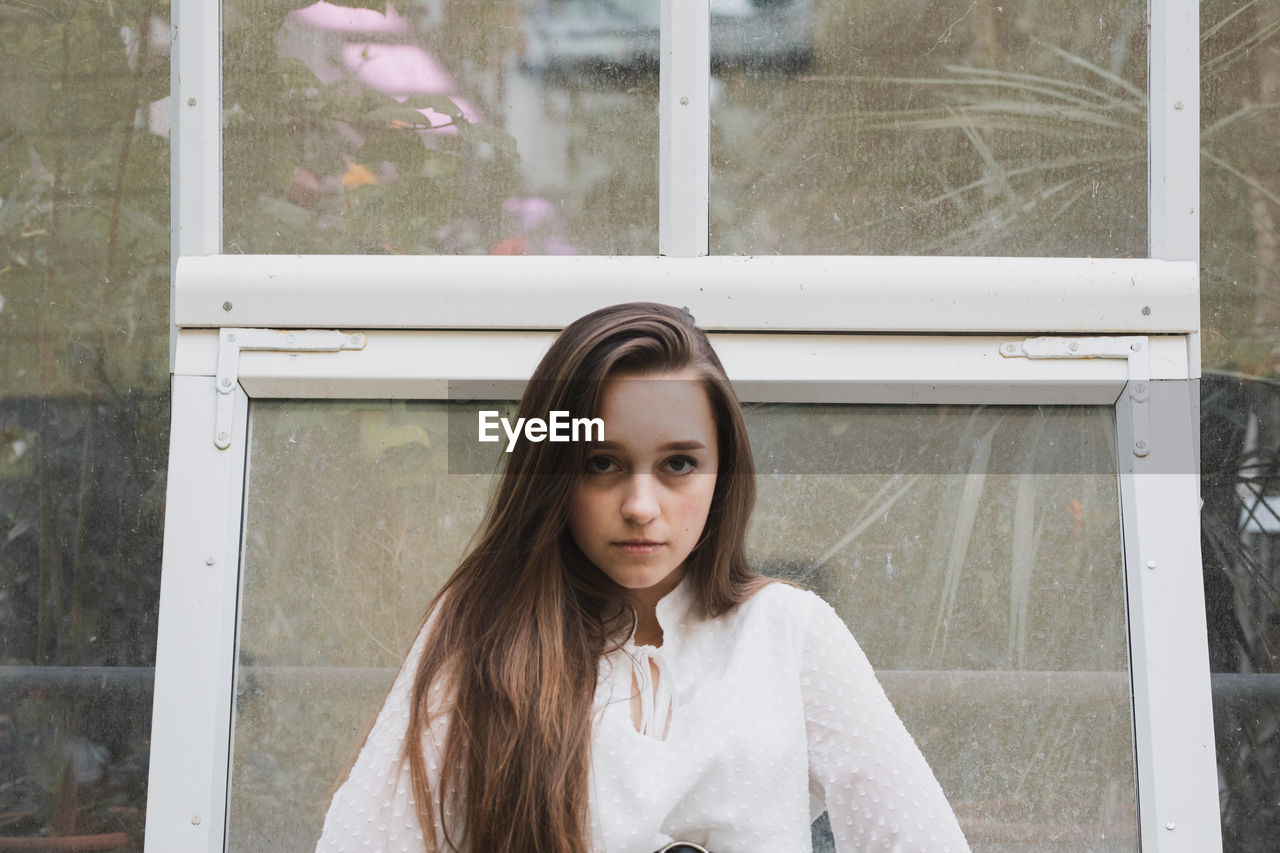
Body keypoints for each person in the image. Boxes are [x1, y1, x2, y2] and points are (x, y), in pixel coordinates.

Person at [315, 303, 970, 853]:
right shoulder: (483, 625)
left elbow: (919, 835)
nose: (640, 505)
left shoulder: (789, 631)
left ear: (724, 469)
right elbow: (362, 838)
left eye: (679, 463)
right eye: (602, 462)